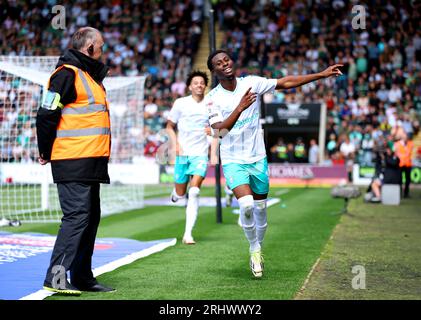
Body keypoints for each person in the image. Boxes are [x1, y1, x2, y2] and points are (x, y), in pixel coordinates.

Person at [206, 49, 342, 278]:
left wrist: (321, 75)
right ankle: (254, 249)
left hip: (258, 158)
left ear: (232, 61)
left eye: (226, 59)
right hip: (233, 159)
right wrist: (240, 108)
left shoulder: (251, 82)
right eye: (219, 63)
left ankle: (258, 245)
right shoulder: (212, 99)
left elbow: (286, 82)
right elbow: (219, 132)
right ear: (214, 70)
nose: (224, 64)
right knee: (247, 205)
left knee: (260, 209)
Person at [36, 27, 114, 295]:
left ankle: (82, 277)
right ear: (90, 47)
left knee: (89, 219)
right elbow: (46, 113)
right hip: (72, 158)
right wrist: (45, 151)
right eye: (101, 46)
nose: (103, 51)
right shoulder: (66, 75)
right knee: (77, 217)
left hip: (91, 160)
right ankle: (55, 277)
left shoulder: (88, 77)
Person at [166, 70, 212, 245]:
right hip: (183, 153)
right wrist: (175, 143)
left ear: (205, 86)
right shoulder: (180, 103)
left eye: (202, 82)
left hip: (200, 153)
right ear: (189, 86)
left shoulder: (211, 104)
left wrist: (214, 131)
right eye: (196, 83)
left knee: (194, 192)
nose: (199, 85)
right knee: (181, 193)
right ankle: (176, 193)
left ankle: (188, 234)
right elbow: (169, 126)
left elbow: (219, 126)